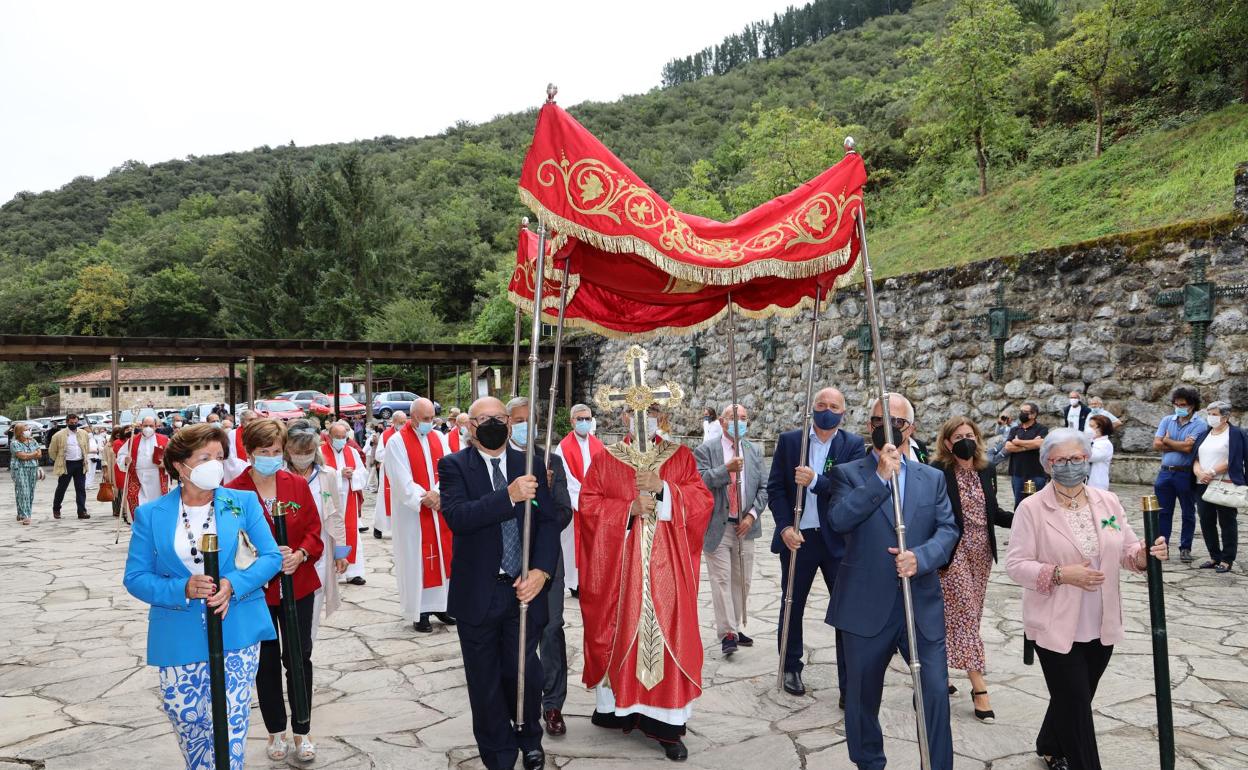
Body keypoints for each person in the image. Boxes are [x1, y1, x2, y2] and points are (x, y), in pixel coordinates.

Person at [1006, 428, 1168, 770]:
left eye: (1076, 458)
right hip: (1054, 624)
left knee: (1074, 697)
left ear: (1087, 460)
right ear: (1048, 464)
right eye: (1061, 460)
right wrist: (1061, 574)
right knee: (1077, 706)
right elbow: (1016, 565)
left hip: (1100, 621)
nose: (1069, 465)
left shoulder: (1106, 501)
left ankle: (1050, 743)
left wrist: (1145, 554)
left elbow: (1127, 550)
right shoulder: (1032, 509)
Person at [122, 423, 282, 770]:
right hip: (177, 633)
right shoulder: (152, 514)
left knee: (230, 720)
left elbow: (270, 557)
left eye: (220, 457)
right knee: (187, 717)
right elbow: (135, 578)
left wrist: (234, 583)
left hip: (237, 625)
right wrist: (181, 588)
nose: (216, 464)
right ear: (180, 465)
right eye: (205, 457)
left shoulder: (242, 502)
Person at [827, 392, 958, 770]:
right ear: (868, 426)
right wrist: (879, 480)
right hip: (865, 607)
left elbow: (949, 530)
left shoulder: (932, 478)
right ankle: (870, 762)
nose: (885, 426)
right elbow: (838, 521)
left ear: (911, 429)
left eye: (896, 421)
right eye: (876, 420)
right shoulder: (849, 474)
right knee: (862, 697)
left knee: (934, 692)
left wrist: (922, 557)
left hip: (920, 605)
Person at [579, 400, 714, 762]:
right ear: (623, 416)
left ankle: (667, 725)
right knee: (620, 629)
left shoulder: (680, 456)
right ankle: (616, 708)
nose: (642, 417)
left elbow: (702, 501)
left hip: (667, 567)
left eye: (651, 410)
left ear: (662, 417)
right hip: (620, 569)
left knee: (668, 631)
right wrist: (627, 509)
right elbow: (588, 503)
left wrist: (665, 489)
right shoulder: (607, 457)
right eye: (633, 411)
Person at [438, 396, 559, 770]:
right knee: (485, 680)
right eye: (484, 419)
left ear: (510, 422)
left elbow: (549, 522)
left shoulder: (531, 464)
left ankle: (530, 739)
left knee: (524, 672)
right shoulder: (454, 466)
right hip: (478, 592)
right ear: (471, 427)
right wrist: (508, 495)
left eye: (500, 418)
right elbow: (459, 516)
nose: (494, 424)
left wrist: (541, 571)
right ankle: (499, 752)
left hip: (524, 589)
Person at [226, 418, 324, 762]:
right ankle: (275, 732)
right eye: (264, 451)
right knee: (265, 662)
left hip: (298, 586)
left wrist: (300, 554)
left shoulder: (295, 484)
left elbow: (314, 530)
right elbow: (231, 540)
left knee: (299, 657)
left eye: (276, 451)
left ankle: (303, 730)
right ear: (249, 453)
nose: (271, 456)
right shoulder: (234, 490)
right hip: (257, 591)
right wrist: (260, 559)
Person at [766, 386, 864, 698]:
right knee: (792, 604)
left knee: (847, 611)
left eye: (834, 406)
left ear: (843, 412)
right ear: (812, 407)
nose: (827, 409)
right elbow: (776, 488)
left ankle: (850, 680)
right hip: (799, 538)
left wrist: (817, 481)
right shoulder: (790, 441)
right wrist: (784, 527)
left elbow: (852, 489)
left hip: (837, 541)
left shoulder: (853, 445)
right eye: (821, 404)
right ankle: (791, 665)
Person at [931, 416, 1013, 722]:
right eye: (958, 436)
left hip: (981, 553)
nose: (965, 440)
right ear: (948, 442)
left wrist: (1025, 518)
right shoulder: (938, 470)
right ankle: (979, 688)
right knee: (965, 613)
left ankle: (937, 673)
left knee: (966, 617)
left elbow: (993, 512)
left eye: (970, 434)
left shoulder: (986, 469)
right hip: (952, 553)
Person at [505, 397, 575, 737]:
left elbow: (564, 512)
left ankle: (553, 704)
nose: (522, 425)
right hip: (507, 562)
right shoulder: (499, 463)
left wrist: (543, 494)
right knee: (512, 636)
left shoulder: (552, 463)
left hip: (547, 563)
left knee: (550, 630)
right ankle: (518, 705)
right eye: (516, 419)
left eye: (527, 420)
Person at [695, 404, 767, 658]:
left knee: (742, 581)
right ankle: (727, 633)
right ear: (723, 422)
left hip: (745, 525)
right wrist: (726, 471)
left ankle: (734, 626)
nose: (740, 422)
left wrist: (752, 515)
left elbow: (763, 488)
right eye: (735, 418)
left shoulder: (754, 451)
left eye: (745, 418)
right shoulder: (707, 450)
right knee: (722, 580)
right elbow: (700, 481)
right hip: (718, 525)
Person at [385, 400, 457, 633]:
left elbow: (449, 468)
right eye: (425, 419)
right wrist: (423, 497)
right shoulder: (397, 442)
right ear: (412, 417)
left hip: (438, 509)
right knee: (416, 558)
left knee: (444, 558)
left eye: (432, 417)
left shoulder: (439, 438)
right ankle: (421, 611)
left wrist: (437, 493)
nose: (430, 423)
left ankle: (443, 605)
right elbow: (399, 477)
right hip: (412, 514)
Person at [284, 420, 348, 639]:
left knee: (310, 614)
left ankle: (304, 653)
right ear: (287, 450)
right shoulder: (279, 475)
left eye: (308, 451)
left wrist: (341, 552)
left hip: (318, 554)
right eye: (297, 451)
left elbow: (336, 515)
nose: (303, 455)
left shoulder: (327, 475)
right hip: (286, 553)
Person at [553, 403, 604, 598]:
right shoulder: (563, 447)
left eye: (587, 419)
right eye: (580, 419)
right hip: (574, 505)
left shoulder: (598, 445)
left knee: (593, 544)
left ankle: (591, 579)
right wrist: (582, 500)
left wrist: (596, 498)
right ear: (572, 421)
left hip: (595, 503)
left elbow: (604, 473)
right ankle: (575, 583)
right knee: (572, 545)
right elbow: (564, 478)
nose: (584, 422)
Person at [1153, 386, 1208, 563]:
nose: (1179, 407)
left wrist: (1168, 440)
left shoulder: (1199, 424)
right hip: (1165, 473)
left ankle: (1185, 547)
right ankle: (1163, 546)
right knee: (1163, 512)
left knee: (1188, 513)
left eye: (1183, 404)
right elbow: (1156, 444)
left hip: (1185, 474)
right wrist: (1176, 443)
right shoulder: (1167, 420)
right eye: (1176, 404)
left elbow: (1188, 448)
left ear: (1192, 405)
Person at [1193, 401, 1244, 573]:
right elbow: (1196, 457)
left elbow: (1235, 458)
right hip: (1202, 484)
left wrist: (1212, 472)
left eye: (1214, 414)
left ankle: (1227, 559)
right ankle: (1214, 556)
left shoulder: (1236, 434)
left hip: (1224, 483)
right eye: (1209, 413)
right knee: (1206, 520)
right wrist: (1199, 472)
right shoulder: (1205, 434)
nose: (1210, 417)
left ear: (1225, 416)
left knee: (1227, 521)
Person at [323, 420, 367, 585]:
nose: (341, 439)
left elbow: (363, 473)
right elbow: (319, 474)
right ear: (330, 437)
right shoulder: (321, 451)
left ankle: (353, 572)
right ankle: (332, 572)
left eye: (344, 437)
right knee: (331, 532)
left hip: (348, 497)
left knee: (351, 532)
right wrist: (338, 474)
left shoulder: (352, 452)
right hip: (329, 500)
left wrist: (353, 475)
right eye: (337, 437)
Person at [117, 414, 171, 517]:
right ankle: (142, 523)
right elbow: (121, 455)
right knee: (139, 502)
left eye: (151, 426)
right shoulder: (132, 440)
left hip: (157, 476)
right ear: (141, 426)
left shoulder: (165, 440)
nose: (148, 428)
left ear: (156, 426)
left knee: (157, 502)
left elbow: (173, 456)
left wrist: (165, 462)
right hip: (138, 476)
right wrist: (125, 460)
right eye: (145, 425)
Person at [48, 413, 93, 520]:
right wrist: (59, 460)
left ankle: (82, 511)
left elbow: (86, 447)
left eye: (76, 423)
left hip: (80, 463)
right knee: (62, 488)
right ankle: (56, 508)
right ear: (67, 422)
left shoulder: (83, 433)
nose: (74, 424)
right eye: (72, 423)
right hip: (66, 464)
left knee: (81, 488)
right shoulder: (58, 435)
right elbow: (52, 451)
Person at [373, 410, 409, 539]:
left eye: (405, 422)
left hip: (405, 471)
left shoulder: (409, 434)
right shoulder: (386, 435)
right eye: (401, 422)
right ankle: (379, 527)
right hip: (388, 471)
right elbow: (378, 454)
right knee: (384, 500)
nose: (404, 424)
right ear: (393, 422)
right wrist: (393, 454)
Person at [1005, 402, 1049, 507]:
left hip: (1034, 475)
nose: (1022, 414)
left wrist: (1018, 442)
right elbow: (1008, 447)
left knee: (1033, 504)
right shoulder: (1015, 429)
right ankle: (1019, 523)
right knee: (1019, 504)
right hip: (1018, 474)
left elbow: (1040, 443)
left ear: (1033, 415)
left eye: (1025, 412)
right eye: (1021, 411)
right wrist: (1029, 445)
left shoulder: (1041, 429)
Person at [10, 422, 43, 525]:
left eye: (29, 429)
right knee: (23, 491)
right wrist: (33, 454)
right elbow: (22, 456)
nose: (28, 431)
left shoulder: (33, 441)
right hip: (19, 469)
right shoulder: (15, 443)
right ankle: (26, 515)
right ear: (20, 432)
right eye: (26, 429)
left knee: (30, 492)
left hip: (33, 468)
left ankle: (21, 513)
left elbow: (40, 454)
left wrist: (31, 455)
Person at [224, 409, 259, 485]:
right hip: (239, 473)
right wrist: (250, 469)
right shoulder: (233, 434)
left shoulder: (260, 434)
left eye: (256, 419)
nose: (254, 422)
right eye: (251, 420)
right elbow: (230, 460)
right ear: (242, 422)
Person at [1087, 415, 1115, 491]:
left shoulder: (1105, 444)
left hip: (1097, 484)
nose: (1088, 429)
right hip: (1088, 483)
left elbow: (1089, 457)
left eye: (1091, 426)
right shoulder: (1093, 442)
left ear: (1101, 428)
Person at [108, 426, 131, 519]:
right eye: (127, 430)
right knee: (125, 490)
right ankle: (125, 511)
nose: (129, 431)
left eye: (130, 430)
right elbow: (119, 453)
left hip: (132, 468)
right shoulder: (118, 442)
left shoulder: (133, 440)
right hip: (121, 468)